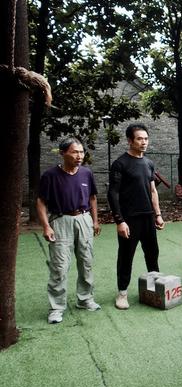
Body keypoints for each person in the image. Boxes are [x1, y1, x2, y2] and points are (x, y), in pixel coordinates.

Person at [37, 138, 101, 324]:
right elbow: (41, 202)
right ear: (63, 153)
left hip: (84, 219)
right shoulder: (50, 175)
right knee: (59, 266)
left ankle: (85, 299)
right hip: (60, 220)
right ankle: (56, 308)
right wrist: (46, 226)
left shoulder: (86, 173)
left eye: (81, 152)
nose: (79, 156)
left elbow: (93, 198)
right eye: (75, 152)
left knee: (86, 262)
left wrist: (95, 221)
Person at [108, 123, 164, 310]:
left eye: (146, 138)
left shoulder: (148, 163)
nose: (144, 142)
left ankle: (154, 288)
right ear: (130, 140)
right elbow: (113, 193)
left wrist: (158, 214)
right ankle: (122, 293)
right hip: (129, 219)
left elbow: (153, 190)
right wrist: (119, 220)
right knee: (126, 257)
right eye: (139, 139)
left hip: (148, 217)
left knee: (152, 254)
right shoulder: (120, 164)